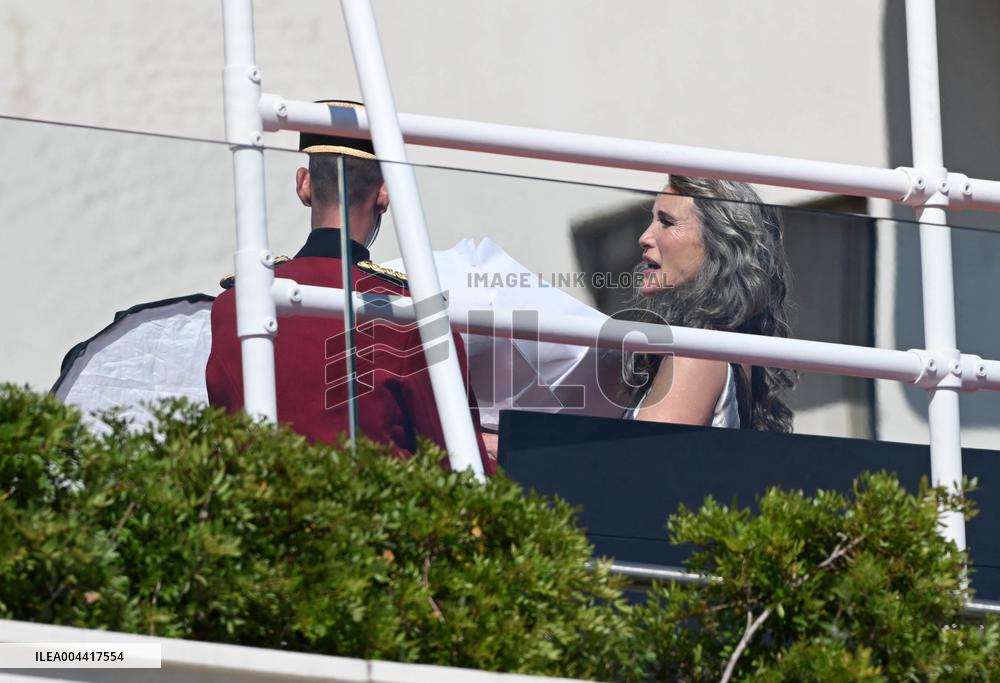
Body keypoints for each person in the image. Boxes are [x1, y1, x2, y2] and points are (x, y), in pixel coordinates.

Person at [206, 100, 494, 474]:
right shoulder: (410, 314)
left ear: (304, 185)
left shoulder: (233, 304)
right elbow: (459, 468)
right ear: (385, 193)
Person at [622, 175, 794, 431]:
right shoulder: (725, 348)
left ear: (719, 244)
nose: (645, 237)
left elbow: (638, 461)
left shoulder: (698, 353)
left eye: (666, 222)